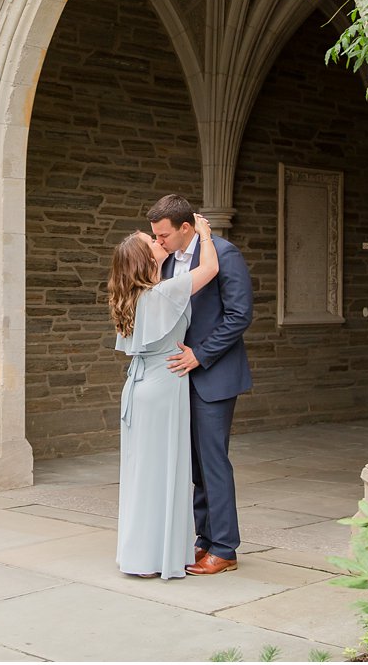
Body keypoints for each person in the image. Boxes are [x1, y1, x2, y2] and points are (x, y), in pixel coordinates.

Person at [148, 194, 253, 576]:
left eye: (163, 235)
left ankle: (225, 548)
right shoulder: (165, 260)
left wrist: (200, 355)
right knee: (193, 464)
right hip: (177, 377)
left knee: (213, 462)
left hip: (214, 374)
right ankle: (204, 539)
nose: (158, 241)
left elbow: (240, 315)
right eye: (155, 236)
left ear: (186, 228)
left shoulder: (224, 254)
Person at [108, 215, 218, 580]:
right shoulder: (164, 292)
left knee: (142, 473)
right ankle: (156, 555)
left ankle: (139, 554)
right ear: (145, 258)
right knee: (162, 472)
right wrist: (203, 233)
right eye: (152, 242)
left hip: (139, 389)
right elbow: (210, 269)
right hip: (163, 386)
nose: (160, 243)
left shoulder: (130, 296)